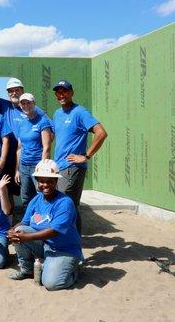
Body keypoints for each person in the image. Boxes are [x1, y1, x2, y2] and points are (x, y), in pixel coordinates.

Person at [7, 159, 83, 291]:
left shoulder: (65, 202)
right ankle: (27, 269)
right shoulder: (36, 200)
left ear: (56, 182)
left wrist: (26, 237)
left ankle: (74, 270)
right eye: (41, 181)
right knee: (19, 230)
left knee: (51, 284)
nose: (45, 185)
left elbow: (54, 231)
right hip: (45, 245)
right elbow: (25, 223)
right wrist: (12, 230)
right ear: (37, 181)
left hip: (65, 250)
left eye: (49, 181)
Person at [0, 59, 47, 197]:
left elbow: (48, 132)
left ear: (22, 91)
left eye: (17, 90)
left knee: (33, 191)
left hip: (28, 158)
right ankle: (10, 216)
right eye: (10, 91)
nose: (14, 93)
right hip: (7, 156)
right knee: (7, 189)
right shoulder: (4, 106)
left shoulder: (36, 110)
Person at [52, 80, 107, 233]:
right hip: (59, 167)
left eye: (65, 91)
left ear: (71, 93)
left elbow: (101, 133)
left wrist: (86, 155)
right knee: (67, 205)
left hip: (72, 168)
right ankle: (72, 243)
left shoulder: (80, 112)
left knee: (67, 205)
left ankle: (73, 244)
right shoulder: (57, 114)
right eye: (58, 92)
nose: (61, 94)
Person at [14, 93, 53, 209]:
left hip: (38, 166)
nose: (26, 105)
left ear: (34, 104)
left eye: (28, 103)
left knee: (42, 195)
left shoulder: (43, 122)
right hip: (24, 167)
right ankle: (30, 223)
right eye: (23, 103)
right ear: (20, 106)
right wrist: (17, 170)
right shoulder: (21, 124)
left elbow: (47, 147)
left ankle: (43, 223)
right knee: (26, 197)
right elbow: (20, 148)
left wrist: (42, 168)